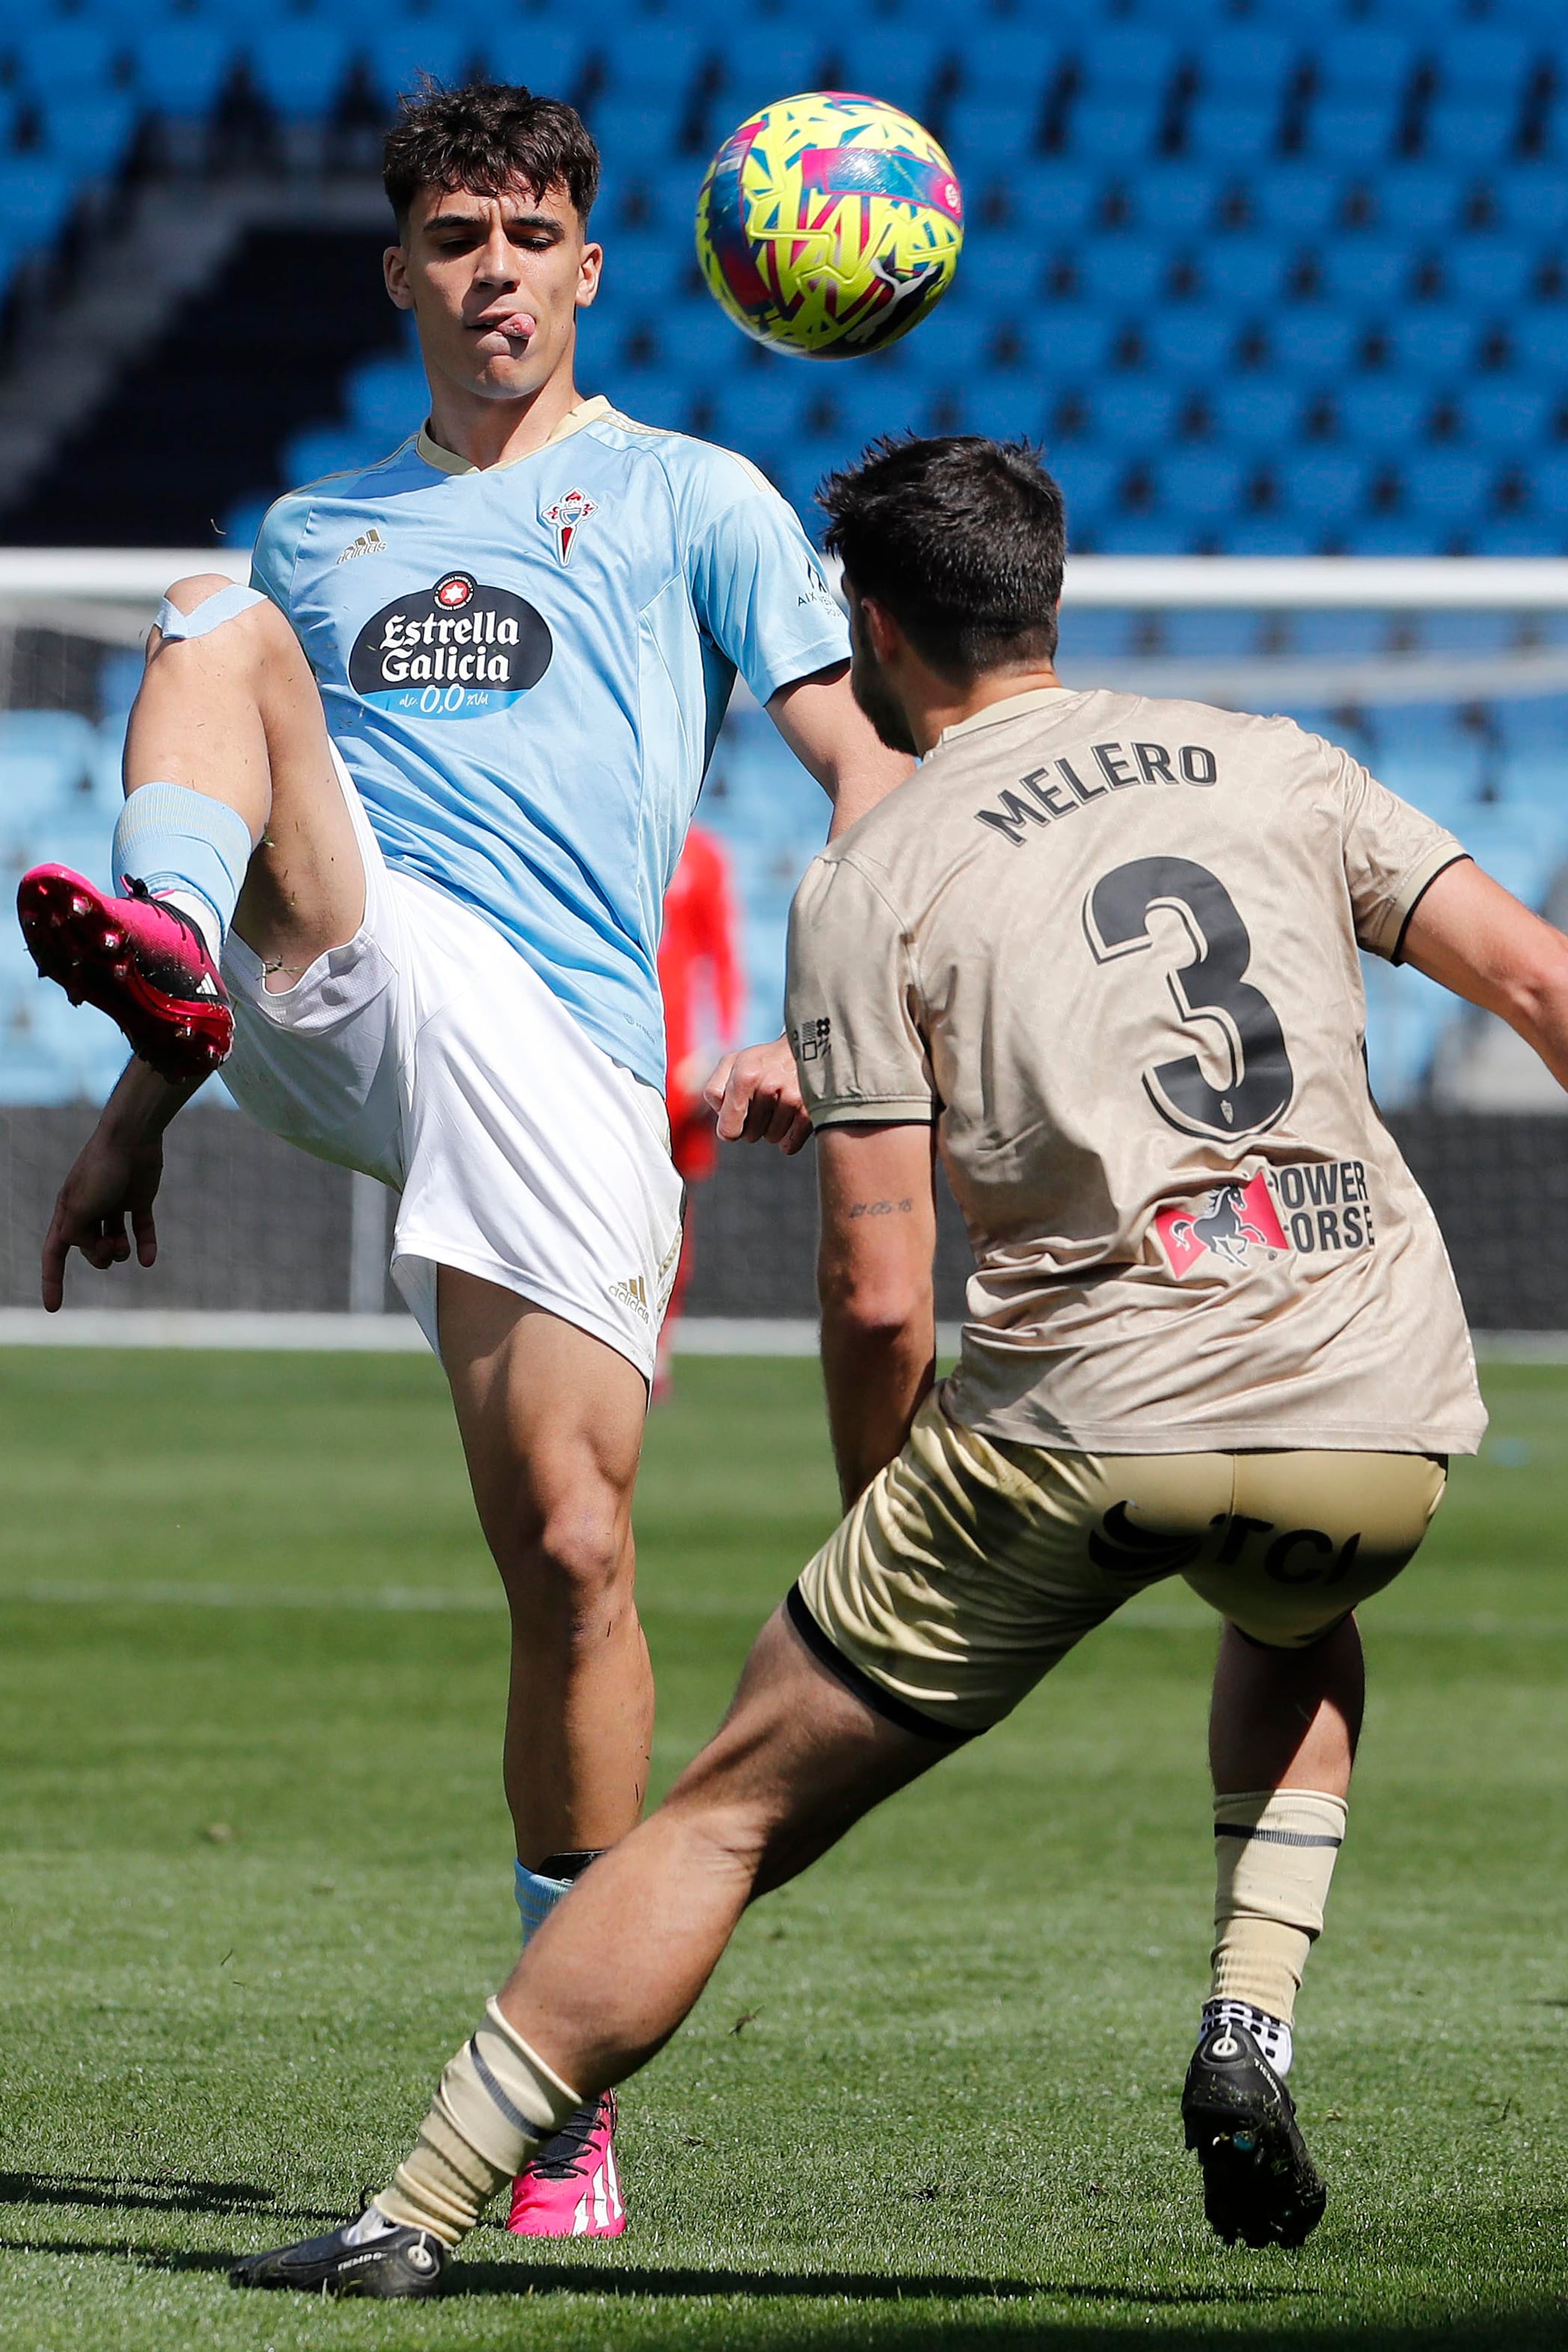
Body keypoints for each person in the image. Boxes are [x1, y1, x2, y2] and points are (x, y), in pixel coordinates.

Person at [230, 430, 1568, 2300]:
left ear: (867, 627)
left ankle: (416, 2207)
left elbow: (878, 1289)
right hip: (1375, 1411)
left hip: (1074, 1427)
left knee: (726, 1813)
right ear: (1046, 586)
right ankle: (1247, 2020)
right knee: (1292, 1615)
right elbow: (1539, 985)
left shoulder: (878, 875)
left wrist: (884, 1507)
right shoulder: (1278, 762)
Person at [16, 82, 905, 2238]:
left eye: (529, 232)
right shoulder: (325, 534)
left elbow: (868, 777)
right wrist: (152, 1083)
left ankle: (563, 2082)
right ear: (398, 272)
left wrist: (837, 1015)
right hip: (357, 980)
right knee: (210, 616)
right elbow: (268, 753)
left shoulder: (695, 495)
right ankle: (155, 941)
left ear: (592, 266)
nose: (492, 266)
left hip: (572, 1071)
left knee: (576, 1556)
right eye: (453, 236)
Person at [655, 821, 744, 1388]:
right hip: (613, 1052)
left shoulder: (703, 856)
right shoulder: (610, 831)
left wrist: (717, 1049)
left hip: (681, 1067)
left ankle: (659, 1340)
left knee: (673, 1214)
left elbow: (724, 960)